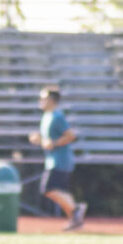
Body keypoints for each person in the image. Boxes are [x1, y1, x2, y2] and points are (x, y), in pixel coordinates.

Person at [28, 87, 86, 231]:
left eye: (43, 98)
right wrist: (39, 139)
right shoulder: (46, 116)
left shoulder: (57, 116)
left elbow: (70, 135)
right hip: (53, 160)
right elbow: (48, 141)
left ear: (52, 100)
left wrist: (54, 143)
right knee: (61, 191)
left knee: (48, 188)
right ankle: (75, 221)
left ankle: (75, 210)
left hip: (60, 160)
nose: (40, 101)